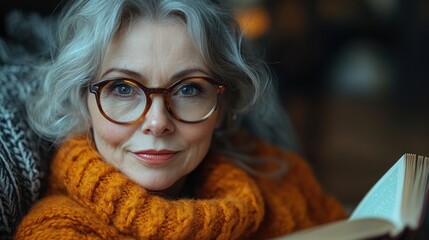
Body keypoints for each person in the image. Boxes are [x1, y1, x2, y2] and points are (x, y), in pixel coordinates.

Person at [14, 0, 346, 239]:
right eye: (122, 89)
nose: (157, 122)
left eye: (188, 89)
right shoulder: (59, 230)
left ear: (223, 106)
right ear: (82, 104)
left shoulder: (284, 178)